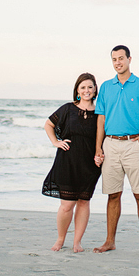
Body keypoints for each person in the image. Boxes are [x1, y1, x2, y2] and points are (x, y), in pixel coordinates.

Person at [93, 45, 139, 258]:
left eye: (121, 58)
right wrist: (98, 147)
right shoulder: (105, 87)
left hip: (134, 144)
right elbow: (101, 118)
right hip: (110, 144)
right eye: (114, 59)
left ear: (129, 59)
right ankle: (110, 241)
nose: (117, 63)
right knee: (113, 195)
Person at [42, 73, 103, 252]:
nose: (86, 90)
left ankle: (77, 242)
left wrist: (101, 154)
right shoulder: (68, 109)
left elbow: (103, 136)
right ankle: (61, 239)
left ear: (95, 89)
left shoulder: (100, 112)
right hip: (67, 161)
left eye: (90, 87)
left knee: (84, 202)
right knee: (67, 204)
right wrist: (55, 142)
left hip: (89, 164)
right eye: (83, 87)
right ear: (77, 90)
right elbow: (48, 124)